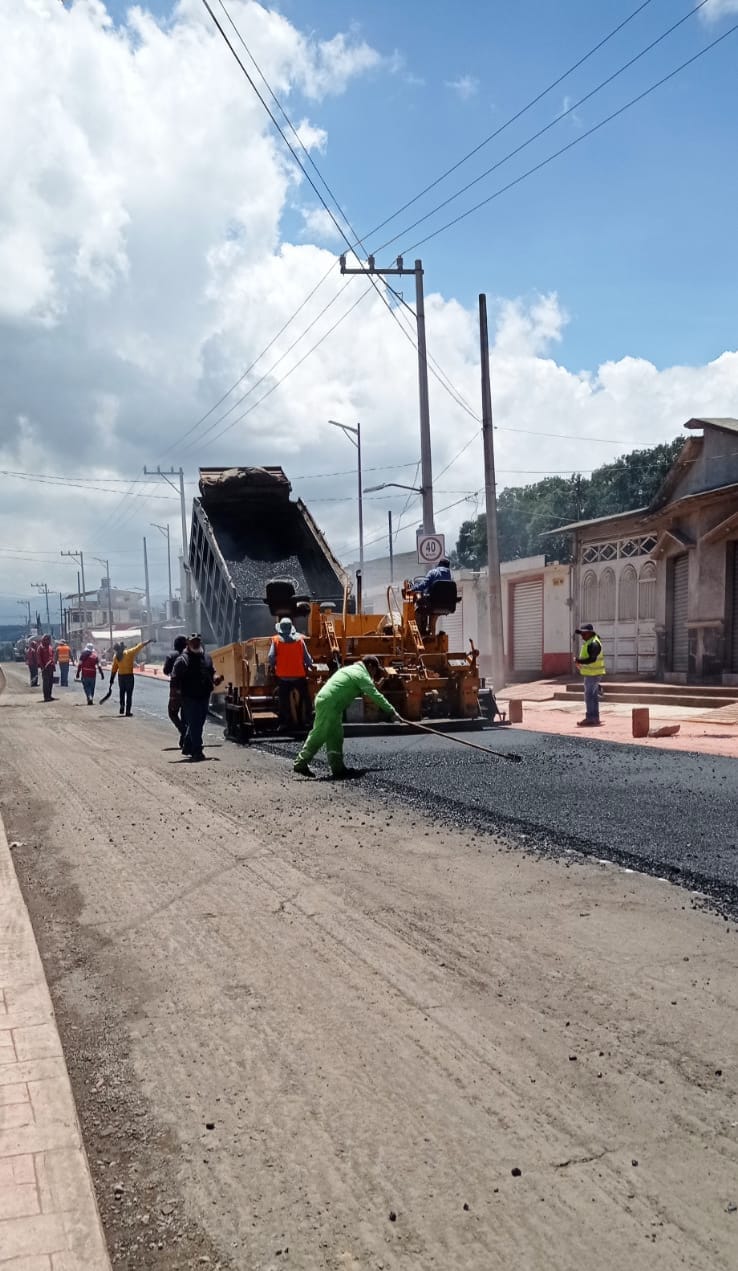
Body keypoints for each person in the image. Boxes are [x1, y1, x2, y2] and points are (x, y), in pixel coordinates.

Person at [294, 654, 399, 779]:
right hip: (330, 703)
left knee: (336, 736)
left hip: (333, 704)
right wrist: (392, 711)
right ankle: (300, 763)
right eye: (375, 670)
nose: (374, 673)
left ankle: (338, 768)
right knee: (320, 733)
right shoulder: (360, 674)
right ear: (370, 666)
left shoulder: (351, 670)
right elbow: (374, 694)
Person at [170, 634, 224, 762]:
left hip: (204, 696)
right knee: (195, 723)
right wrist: (174, 698)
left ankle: (188, 745)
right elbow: (174, 679)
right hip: (189, 697)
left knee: (199, 722)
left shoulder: (206, 658)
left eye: (197, 641)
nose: (195, 644)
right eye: (193, 642)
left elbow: (212, 672)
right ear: (188, 644)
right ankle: (197, 751)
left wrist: (216, 678)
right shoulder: (183, 660)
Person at [268, 617, 314, 731]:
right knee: (306, 697)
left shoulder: (276, 640)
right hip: (299, 676)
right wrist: (310, 665)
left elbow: (271, 656)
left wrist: (273, 665)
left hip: (283, 677)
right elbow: (307, 657)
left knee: (283, 700)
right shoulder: (300, 640)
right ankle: (309, 719)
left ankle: (284, 723)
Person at [108, 638, 152, 716]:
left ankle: (122, 705)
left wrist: (111, 679)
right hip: (129, 676)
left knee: (122, 692)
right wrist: (148, 641)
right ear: (123, 647)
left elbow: (114, 669)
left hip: (121, 677)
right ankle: (128, 711)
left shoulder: (116, 657)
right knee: (129, 694)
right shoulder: (129, 653)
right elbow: (139, 646)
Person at [574, 623, 606, 727]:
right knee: (593, 696)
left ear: (590, 633)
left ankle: (591, 718)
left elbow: (592, 659)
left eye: (584, 633)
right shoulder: (590, 641)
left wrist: (579, 660)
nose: (582, 636)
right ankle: (595, 718)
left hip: (593, 674)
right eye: (581, 634)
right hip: (592, 674)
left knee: (589, 697)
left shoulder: (594, 643)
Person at [163, 635, 188, 744]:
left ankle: (184, 731)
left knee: (172, 713)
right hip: (189, 689)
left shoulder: (171, 655)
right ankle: (185, 736)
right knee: (185, 714)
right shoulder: (189, 655)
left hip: (175, 688)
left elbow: (165, 670)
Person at [36, 634, 56, 702]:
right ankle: (46, 696)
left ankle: (49, 695)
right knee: (46, 683)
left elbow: (52, 656)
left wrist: (53, 664)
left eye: (48, 639)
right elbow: (39, 658)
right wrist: (42, 666)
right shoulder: (40, 647)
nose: (48, 640)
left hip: (51, 667)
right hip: (45, 668)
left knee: (50, 682)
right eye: (46, 639)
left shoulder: (50, 647)